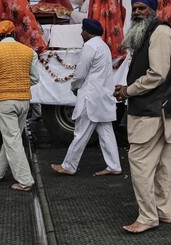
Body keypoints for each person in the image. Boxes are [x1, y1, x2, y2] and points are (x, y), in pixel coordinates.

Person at [113, 0, 171, 234]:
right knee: (161, 165)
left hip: (150, 112)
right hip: (155, 110)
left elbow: (157, 75)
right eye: (135, 9)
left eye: (142, 8)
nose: (138, 13)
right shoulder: (149, 33)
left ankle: (148, 217)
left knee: (139, 163)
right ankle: (165, 212)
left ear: (152, 9)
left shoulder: (160, 32)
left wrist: (128, 91)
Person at [51, 18, 122, 176]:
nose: (81, 33)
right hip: (102, 97)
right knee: (106, 132)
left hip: (90, 98)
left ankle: (69, 166)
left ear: (88, 32)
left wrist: (74, 86)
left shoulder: (90, 46)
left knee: (81, 132)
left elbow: (80, 73)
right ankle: (114, 165)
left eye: (82, 30)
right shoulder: (103, 46)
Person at [0, 20, 39, 192]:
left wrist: (2, 84)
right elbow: (35, 79)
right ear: (14, 33)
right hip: (24, 100)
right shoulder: (28, 52)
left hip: (5, 101)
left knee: (12, 139)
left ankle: (25, 181)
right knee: (12, 138)